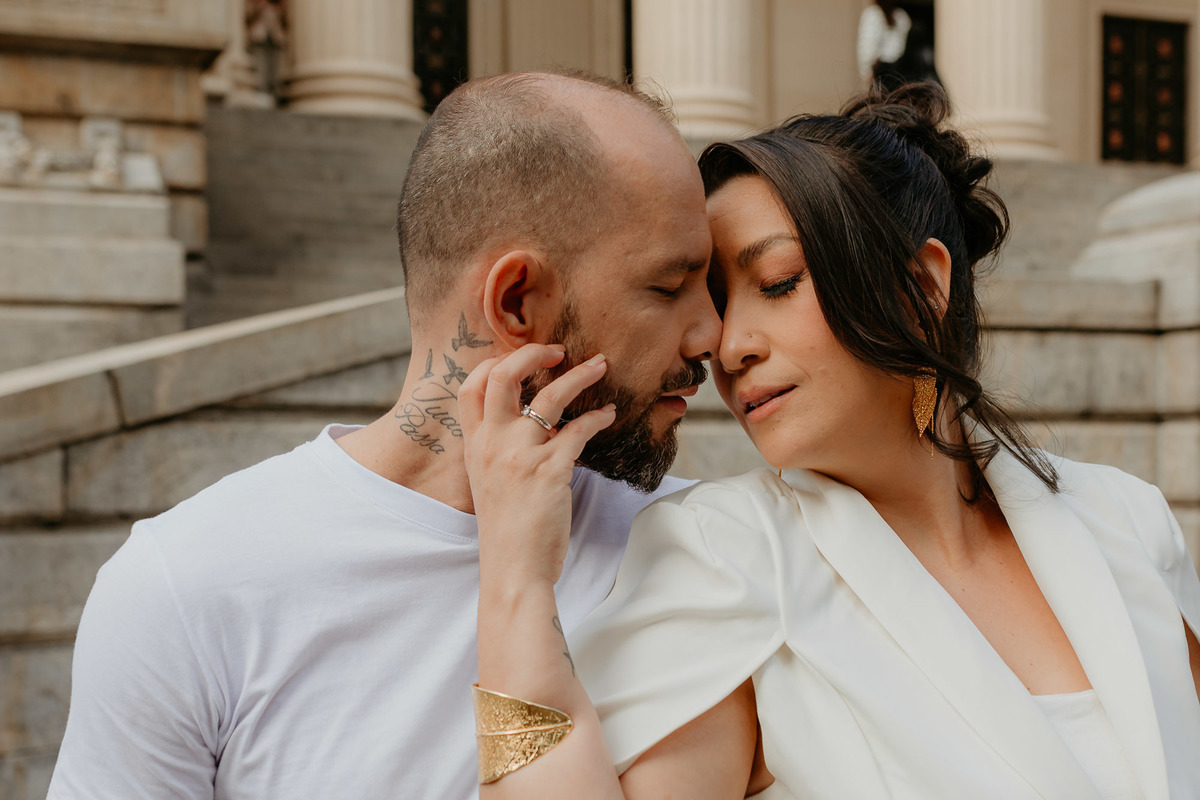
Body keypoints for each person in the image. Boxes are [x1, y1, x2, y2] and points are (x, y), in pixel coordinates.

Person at [459, 82, 1200, 798]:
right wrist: (516, 585)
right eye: (720, 305)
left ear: (922, 288)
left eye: (778, 281)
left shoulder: (1128, 522)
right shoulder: (727, 557)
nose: (729, 346)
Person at [46, 71, 721, 800]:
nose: (712, 335)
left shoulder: (703, 555)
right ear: (515, 301)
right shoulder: (184, 586)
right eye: (667, 287)